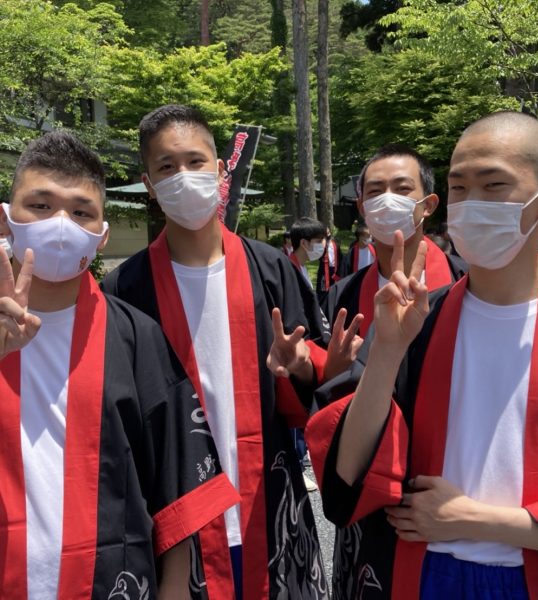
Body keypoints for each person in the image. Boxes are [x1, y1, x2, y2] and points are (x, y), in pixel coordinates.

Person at [307, 111, 538, 598]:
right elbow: (346, 475)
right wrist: (387, 352)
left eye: (493, 185)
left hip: (537, 580)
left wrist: (475, 520)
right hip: (420, 573)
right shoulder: (418, 321)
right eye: (459, 188)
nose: (471, 203)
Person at [101, 104, 330, 599]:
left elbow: (320, 374)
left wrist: (301, 367)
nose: (183, 176)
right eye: (166, 167)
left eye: (195, 161)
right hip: (175, 527)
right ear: (149, 184)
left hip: (272, 508)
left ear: (221, 169)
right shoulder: (123, 289)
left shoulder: (271, 270)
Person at [0, 131, 238, 599]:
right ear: (7, 220)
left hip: (113, 582)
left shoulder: (135, 337)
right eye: (41, 206)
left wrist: (175, 589)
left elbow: (175, 480)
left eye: (81, 212)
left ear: (101, 235)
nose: (61, 224)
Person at [322, 143, 467, 339]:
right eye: (375, 191)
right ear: (363, 207)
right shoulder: (341, 297)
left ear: (428, 204)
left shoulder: (467, 283)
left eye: (402, 188)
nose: (387, 200)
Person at [288, 216, 327, 288]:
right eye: (319, 241)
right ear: (304, 243)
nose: (322, 245)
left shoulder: (300, 266)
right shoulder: (290, 272)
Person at [316, 226, 344, 303]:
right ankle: (322, 302)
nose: (327, 235)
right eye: (325, 234)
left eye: (328, 233)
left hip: (334, 269)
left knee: (334, 287)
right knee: (323, 288)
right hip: (324, 270)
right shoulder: (321, 244)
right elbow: (318, 256)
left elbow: (340, 256)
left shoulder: (335, 243)